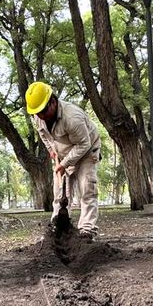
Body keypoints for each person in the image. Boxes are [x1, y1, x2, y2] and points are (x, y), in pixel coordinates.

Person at [25, 81, 101, 240]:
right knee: (60, 195)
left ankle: (87, 231)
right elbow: (44, 135)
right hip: (62, 153)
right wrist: (52, 150)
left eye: (43, 111)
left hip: (87, 151)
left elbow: (84, 144)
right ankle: (57, 228)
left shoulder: (72, 117)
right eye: (37, 113)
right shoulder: (39, 117)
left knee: (87, 189)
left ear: (53, 101)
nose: (41, 116)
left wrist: (64, 163)